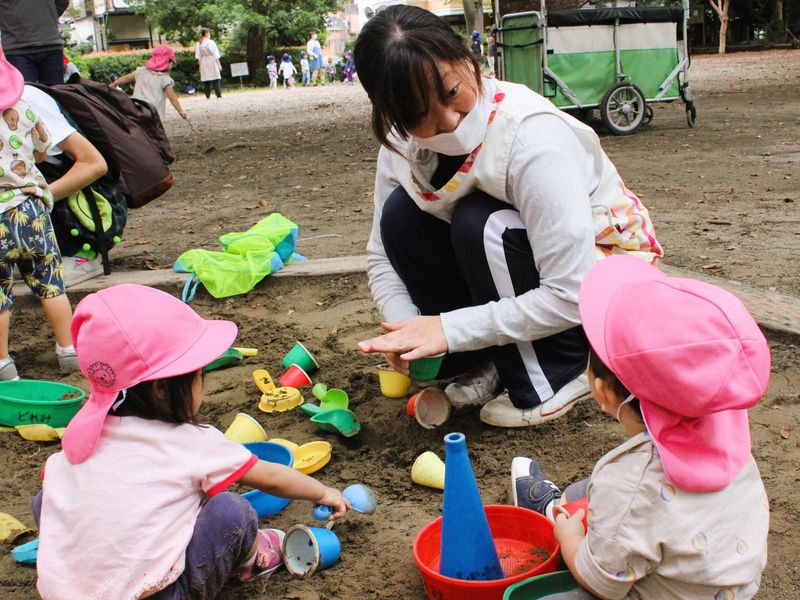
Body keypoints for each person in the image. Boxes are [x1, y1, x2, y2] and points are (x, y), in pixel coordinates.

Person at [354, 6, 662, 428]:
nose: (448, 121)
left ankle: (558, 369)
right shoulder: (400, 147)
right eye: (418, 114)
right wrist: (405, 327)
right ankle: (493, 360)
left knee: (481, 223)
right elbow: (382, 254)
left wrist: (448, 328)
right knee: (401, 216)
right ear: (392, 115)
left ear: (467, 60)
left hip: (600, 277)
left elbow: (570, 291)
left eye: (450, 92)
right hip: (515, 266)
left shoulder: (529, 137)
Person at [33, 284, 350, 598]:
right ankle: (250, 563)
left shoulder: (82, 436)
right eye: (198, 376)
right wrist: (323, 492)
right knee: (232, 511)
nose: (202, 384)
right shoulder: (191, 442)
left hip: (66, 592)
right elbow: (272, 477)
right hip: (158, 594)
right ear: (160, 389)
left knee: (47, 499)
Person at [511, 255, 770, 599]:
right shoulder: (728, 426)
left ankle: (557, 521)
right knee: (585, 492)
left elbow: (601, 581)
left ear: (603, 393)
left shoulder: (628, 481)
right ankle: (559, 508)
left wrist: (569, 538)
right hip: (728, 583)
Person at [0, 44, 77, 379]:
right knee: (51, 284)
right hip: (32, 208)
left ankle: (4, 365)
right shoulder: (27, 107)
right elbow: (44, 152)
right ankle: (69, 350)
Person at [20, 83, 109, 286]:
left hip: (75, 207)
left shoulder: (27, 100)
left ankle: (83, 254)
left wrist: (37, 198)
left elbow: (94, 163)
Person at [110, 44, 187, 121]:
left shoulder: (141, 72)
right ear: (169, 62)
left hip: (136, 108)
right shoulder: (165, 79)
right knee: (154, 131)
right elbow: (172, 96)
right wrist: (180, 110)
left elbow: (127, 78)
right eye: (173, 64)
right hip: (152, 112)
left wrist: (114, 84)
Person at [0, 0, 69, 84]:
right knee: (28, 94)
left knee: (52, 95)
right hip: (19, 48)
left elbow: (62, 2)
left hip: (48, 45)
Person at [195, 28, 222, 99]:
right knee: (216, 78)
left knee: (206, 79)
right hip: (212, 60)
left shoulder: (198, 43)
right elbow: (216, 54)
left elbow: (198, 56)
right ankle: (218, 94)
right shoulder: (210, 42)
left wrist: (200, 66)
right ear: (206, 33)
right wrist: (219, 64)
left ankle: (207, 95)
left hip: (204, 61)